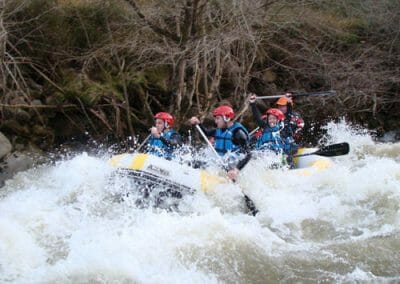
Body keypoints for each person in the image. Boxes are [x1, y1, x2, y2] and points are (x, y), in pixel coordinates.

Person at [189, 105, 251, 180]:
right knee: (195, 163)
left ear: (227, 118)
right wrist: (198, 123)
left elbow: (248, 155)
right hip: (219, 162)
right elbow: (205, 133)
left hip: (232, 166)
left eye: (218, 118)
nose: (216, 121)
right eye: (215, 119)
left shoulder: (238, 133)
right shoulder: (218, 130)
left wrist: (236, 170)